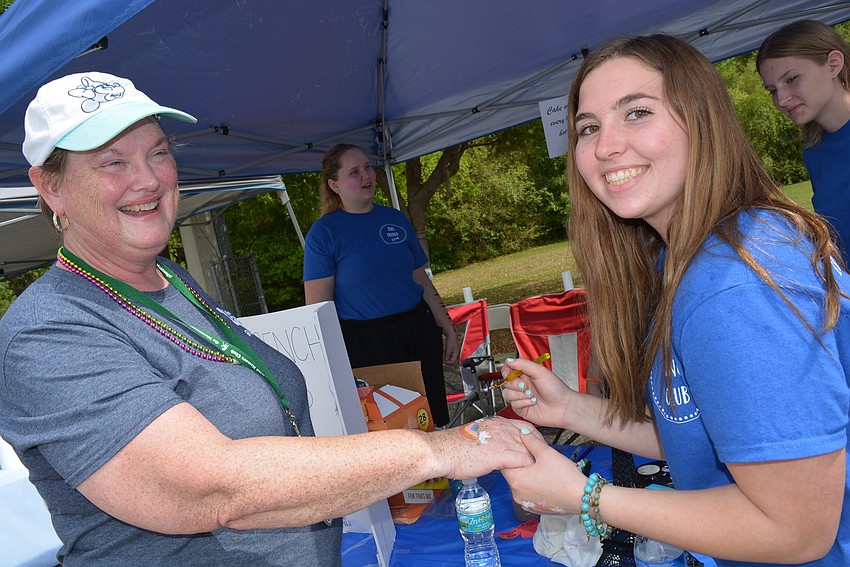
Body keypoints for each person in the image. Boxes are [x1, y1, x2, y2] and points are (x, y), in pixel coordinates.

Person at [0, 72, 533, 567]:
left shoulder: (172, 282)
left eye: (158, 152)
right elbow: (206, 487)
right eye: (112, 162)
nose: (147, 179)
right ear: (51, 187)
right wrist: (437, 448)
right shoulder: (49, 332)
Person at [500, 34, 850, 566]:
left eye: (636, 113)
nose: (605, 145)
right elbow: (705, 439)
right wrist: (571, 408)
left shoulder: (736, 283)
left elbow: (797, 531)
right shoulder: (686, 258)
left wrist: (586, 496)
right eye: (589, 128)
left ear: (702, 122)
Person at [303, 143, 459, 427]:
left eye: (367, 167)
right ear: (334, 185)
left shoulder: (394, 219)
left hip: (418, 330)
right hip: (367, 344)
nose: (367, 176)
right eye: (354, 172)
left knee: (430, 420)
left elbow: (420, 279)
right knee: (390, 427)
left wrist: (446, 323)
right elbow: (318, 308)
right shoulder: (324, 233)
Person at [757, 20, 850, 263]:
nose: (782, 100)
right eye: (772, 90)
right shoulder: (814, 151)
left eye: (791, 79)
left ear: (833, 64)